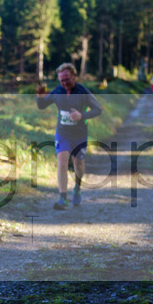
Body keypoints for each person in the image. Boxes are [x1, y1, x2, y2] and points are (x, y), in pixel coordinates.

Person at [36, 62, 103, 210]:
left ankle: (77, 188)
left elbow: (98, 110)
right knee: (62, 160)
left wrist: (81, 115)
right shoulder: (57, 91)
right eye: (61, 80)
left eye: (67, 79)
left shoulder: (83, 92)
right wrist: (40, 98)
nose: (64, 83)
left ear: (74, 76)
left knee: (78, 162)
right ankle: (62, 198)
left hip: (80, 134)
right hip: (62, 133)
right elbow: (42, 106)